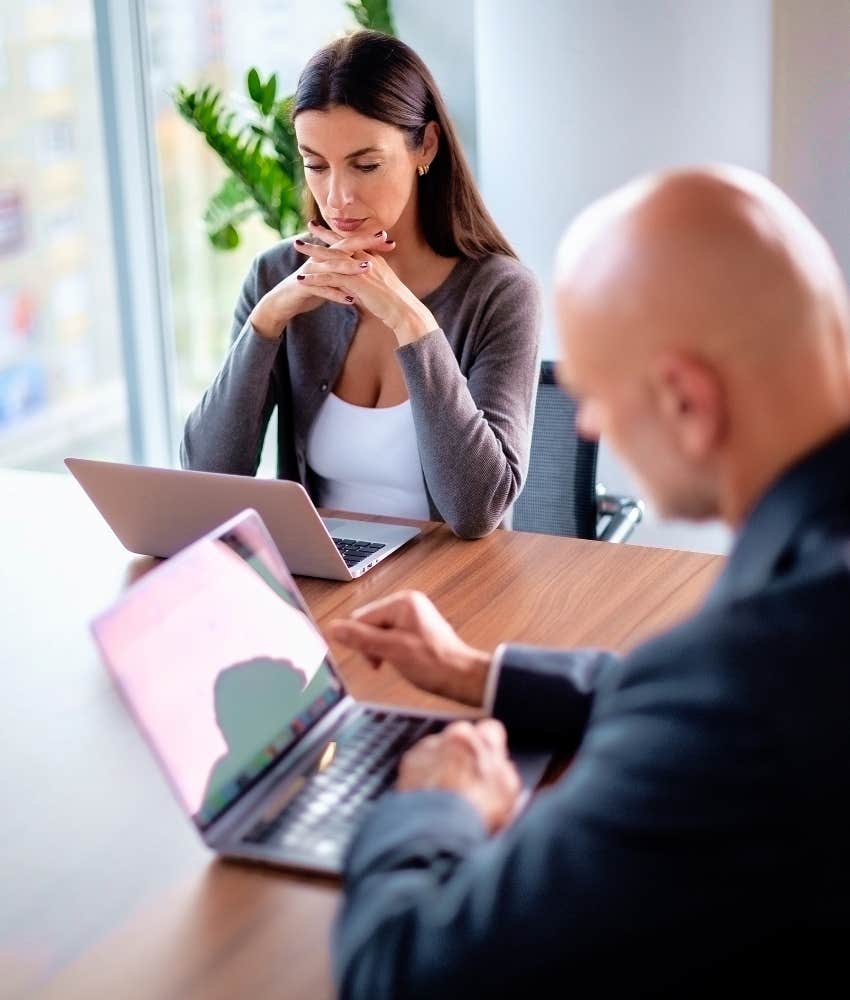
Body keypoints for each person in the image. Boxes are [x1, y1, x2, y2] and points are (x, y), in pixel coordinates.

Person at [327, 165, 850, 996]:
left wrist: (438, 805)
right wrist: (480, 673)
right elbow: (699, 700)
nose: (594, 425)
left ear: (685, 402)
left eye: (597, 395)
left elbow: (403, 975)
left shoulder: (750, 689)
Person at [181, 31, 540, 539]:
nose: (337, 196)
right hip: (320, 584)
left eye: (366, 165)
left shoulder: (500, 293)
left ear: (426, 146)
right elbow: (207, 481)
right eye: (315, 165)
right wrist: (265, 324)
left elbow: (476, 509)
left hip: (453, 598)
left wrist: (409, 319)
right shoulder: (277, 277)